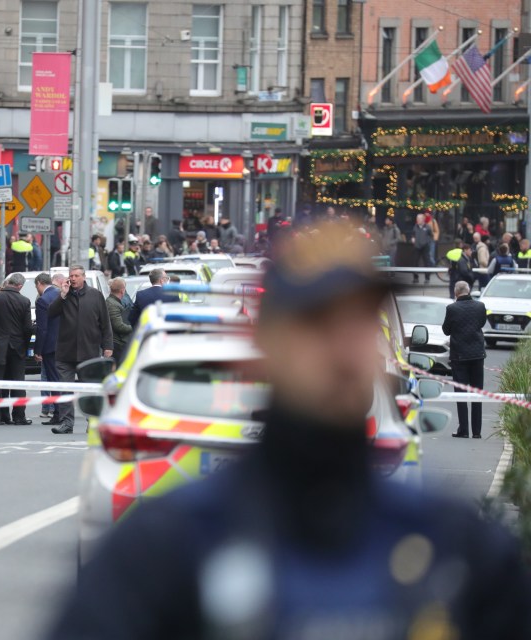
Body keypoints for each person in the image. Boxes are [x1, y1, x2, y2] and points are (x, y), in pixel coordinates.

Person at [46, 223, 531, 640]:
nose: (344, 350)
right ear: (268, 344)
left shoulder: (455, 546)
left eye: (360, 321)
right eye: (318, 324)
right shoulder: (167, 550)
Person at [48, 265, 113, 435]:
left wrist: (108, 346)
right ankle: (66, 423)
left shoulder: (95, 295)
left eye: (77, 275)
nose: (74, 279)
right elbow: (51, 313)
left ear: (83, 277)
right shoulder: (64, 296)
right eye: (71, 276)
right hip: (65, 351)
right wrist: (62, 295)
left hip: (89, 350)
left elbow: (105, 323)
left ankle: (92, 422)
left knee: (90, 390)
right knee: (65, 389)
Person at [443, 280, 488, 439]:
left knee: (460, 393)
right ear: (468, 291)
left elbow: (446, 330)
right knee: (477, 393)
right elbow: (482, 323)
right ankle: (477, 431)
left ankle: (464, 429)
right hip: (477, 355)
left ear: (456, 293)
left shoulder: (452, 309)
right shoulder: (480, 306)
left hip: (459, 356)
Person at [0, 273, 34, 426]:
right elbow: (27, 328)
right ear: (20, 286)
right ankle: (19, 416)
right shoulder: (24, 301)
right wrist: (25, 344)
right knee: (18, 382)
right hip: (17, 345)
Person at [35, 273, 64, 426]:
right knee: (64, 379)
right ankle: (65, 412)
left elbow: (42, 328)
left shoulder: (43, 300)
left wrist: (37, 350)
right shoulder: (61, 294)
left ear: (40, 283)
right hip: (65, 344)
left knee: (54, 381)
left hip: (50, 346)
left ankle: (58, 413)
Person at [106, 278, 133, 365]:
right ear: (122, 290)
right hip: (117, 344)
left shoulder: (114, 302)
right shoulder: (112, 304)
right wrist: (134, 327)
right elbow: (119, 326)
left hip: (118, 342)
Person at [410, 213, 434, 284]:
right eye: (417, 219)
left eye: (419, 219)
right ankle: (415, 278)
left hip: (425, 247)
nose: (417, 220)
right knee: (415, 262)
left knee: (427, 262)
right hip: (417, 247)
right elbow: (413, 234)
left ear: (423, 219)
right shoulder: (415, 227)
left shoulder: (427, 227)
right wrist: (413, 238)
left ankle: (427, 278)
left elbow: (431, 236)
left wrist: (427, 242)